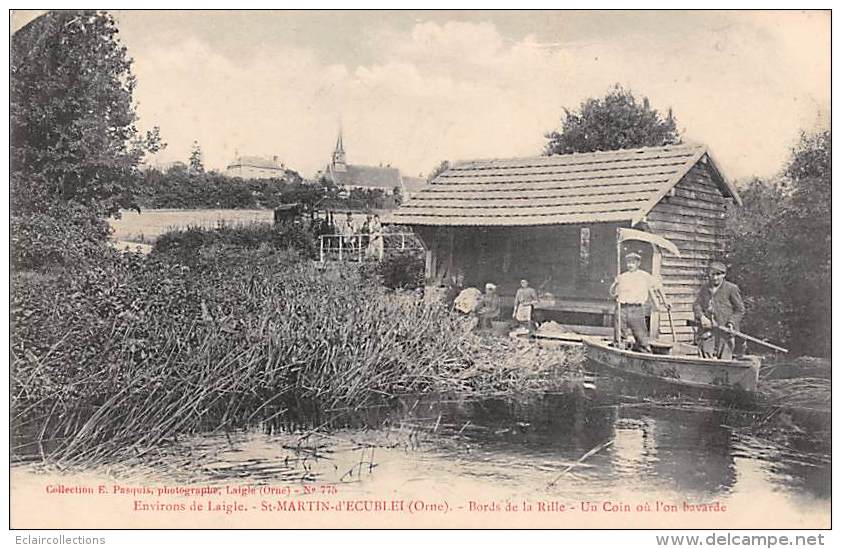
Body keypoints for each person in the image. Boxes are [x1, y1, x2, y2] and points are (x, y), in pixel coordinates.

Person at [609, 252, 670, 352]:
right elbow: (612, 293)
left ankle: (645, 355)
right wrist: (615, 284)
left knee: (641, 337)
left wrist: (665, 301)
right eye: (628, 262)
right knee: (619, 338)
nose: (630, 265)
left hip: (636, 309)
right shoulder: (622, 276)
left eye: (633, 262)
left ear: (638, 263)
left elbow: (658, 287)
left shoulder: (644, 276)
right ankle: (620, 354)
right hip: (622, 309)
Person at [693, 261, 745, 359]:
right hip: (708, 331)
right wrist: (702, 317)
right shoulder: (705, 288)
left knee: (725, 360)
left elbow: (740, 310)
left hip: (725, 332)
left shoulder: (731, 288)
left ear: (724, 275)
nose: (715, 278)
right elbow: (697, 305)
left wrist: (732, 323)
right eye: (712, 274)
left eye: (718, 274)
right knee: (705, 358)